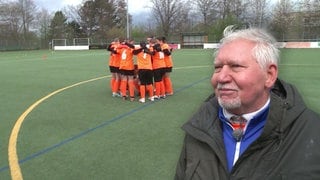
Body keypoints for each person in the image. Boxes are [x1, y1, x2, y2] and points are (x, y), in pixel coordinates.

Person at [174, 26, 320, 179]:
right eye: (217, 68)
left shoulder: (311, 131)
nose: (221, 77)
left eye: (235, 66)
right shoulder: (199, 127)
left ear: (269, 75)